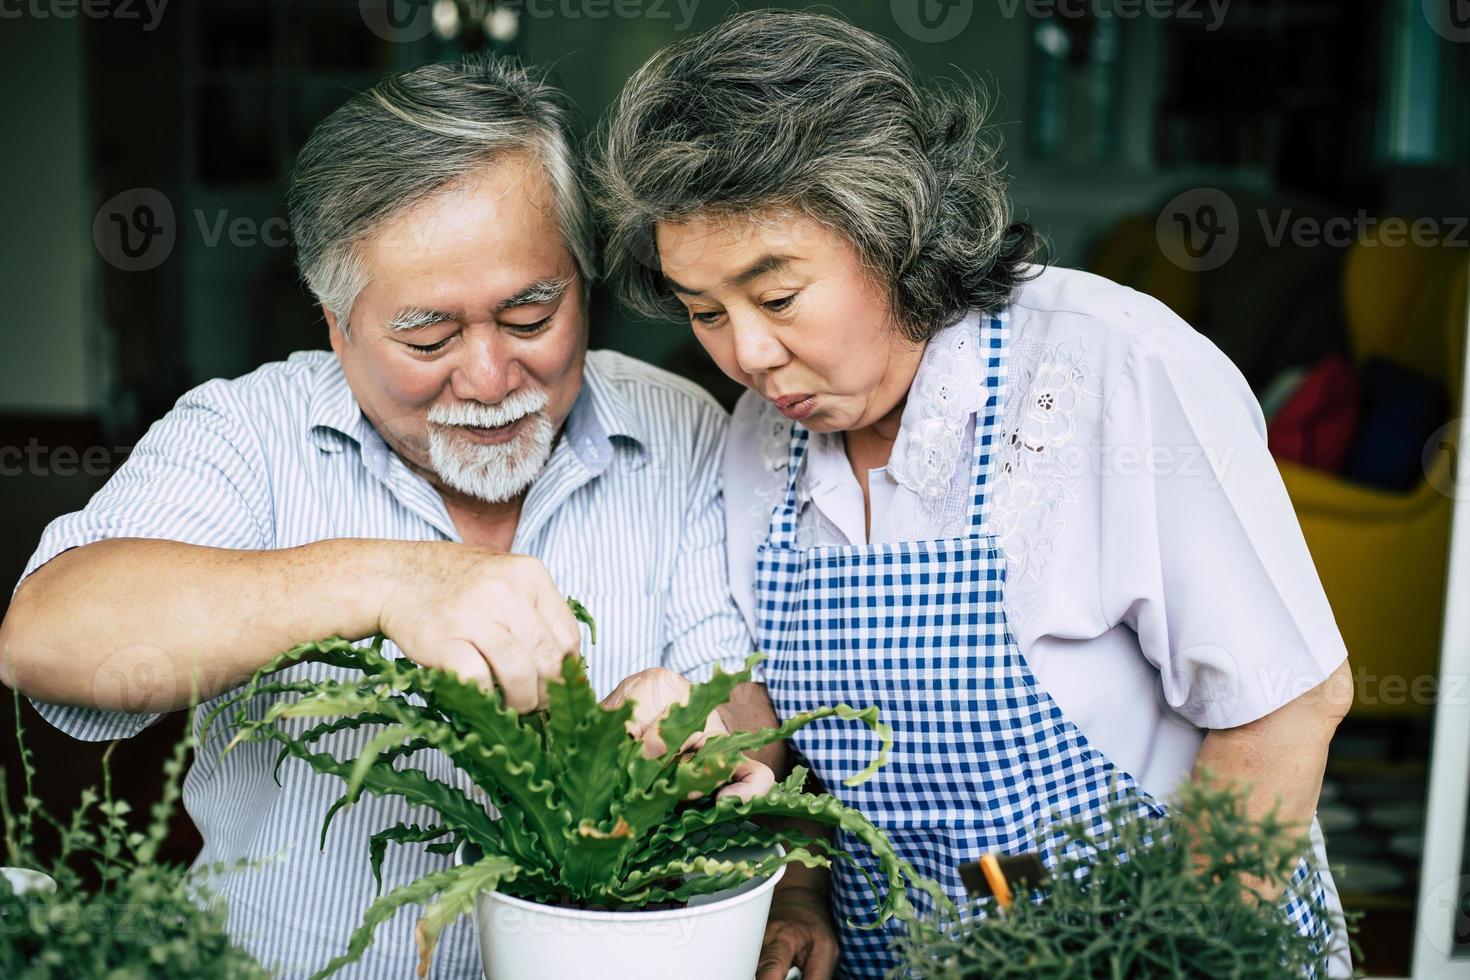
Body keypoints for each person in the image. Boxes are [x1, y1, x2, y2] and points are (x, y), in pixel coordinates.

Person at [594, 10, 1355, 979]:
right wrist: (792, 882)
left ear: (894, 231)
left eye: (777, 296)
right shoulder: (762, 434)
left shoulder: (1111, 366)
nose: (745, 353)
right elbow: (779, 717)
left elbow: (1285, 704)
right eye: (704, 310)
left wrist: (1176, 955)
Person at [0, 56, 774, 979]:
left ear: (582, 277)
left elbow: (737, 688)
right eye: (428, 338)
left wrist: (693, 730)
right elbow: (46, 631)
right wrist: (386, 579)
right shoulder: (248, 432)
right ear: (336, 323)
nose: (489, 379)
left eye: (531, 315)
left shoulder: (680, 425)